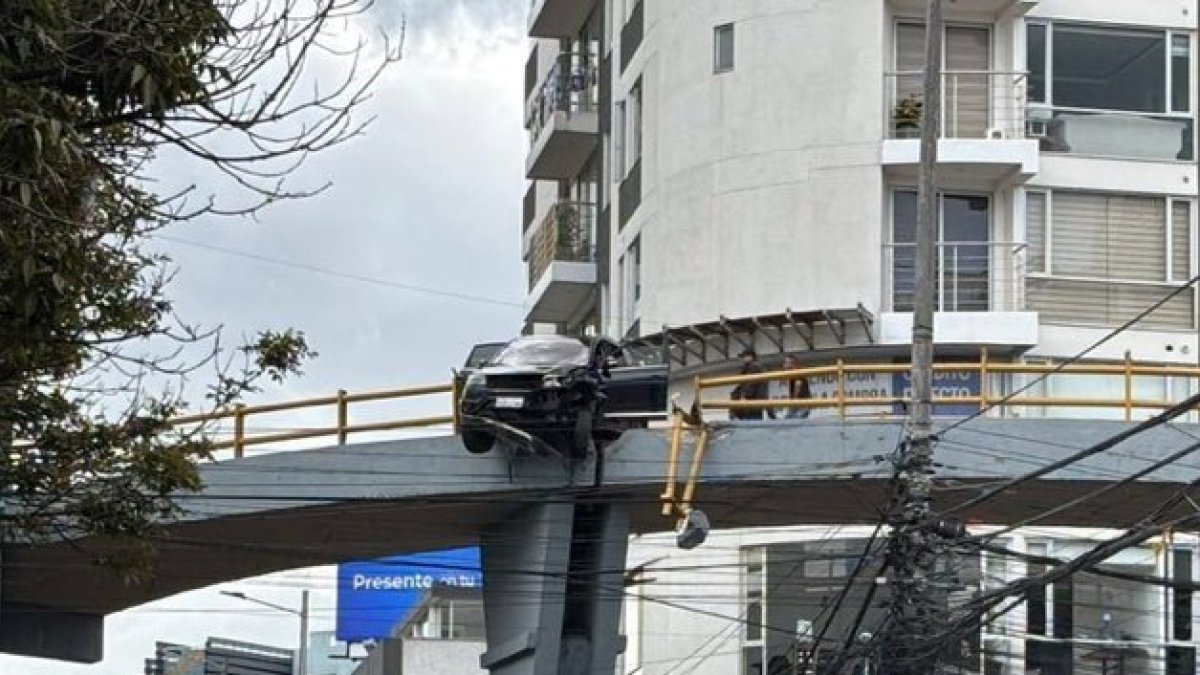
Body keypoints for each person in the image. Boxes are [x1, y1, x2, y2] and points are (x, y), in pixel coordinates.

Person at [730, 348, 768, 420]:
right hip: (753, 403)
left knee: (752, 423)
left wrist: (743, 397)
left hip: (752, 403)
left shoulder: (753, 368)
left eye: (743, 357)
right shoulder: (750, 368)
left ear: (750, 357)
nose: (742, 359)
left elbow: (750, 386)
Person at [781, 353, 812, 419]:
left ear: (792, 364)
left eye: (787, 363)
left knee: (793, 421)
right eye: (785, 363)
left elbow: (798, 385)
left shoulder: (797, 373)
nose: (784, 365)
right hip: (796, 406)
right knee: (786, 421)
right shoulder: (791, 375)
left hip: (802, 406)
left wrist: (793, 402)